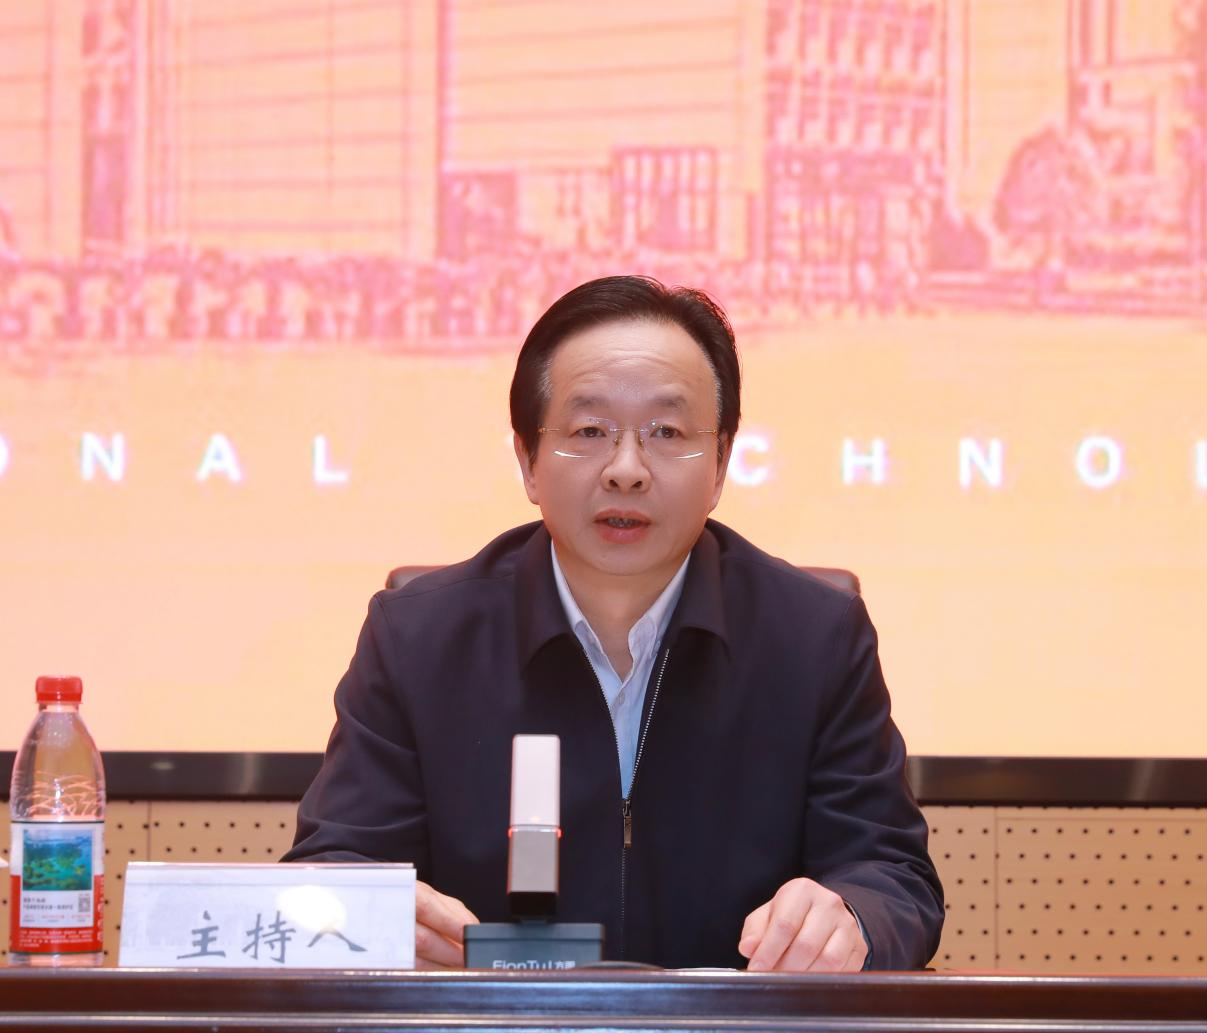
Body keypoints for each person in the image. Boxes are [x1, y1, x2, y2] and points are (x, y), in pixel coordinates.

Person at [285, 275, 944, 971]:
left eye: (667, 432)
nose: (626, 470)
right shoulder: (418, 638)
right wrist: (372, 916)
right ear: (528, 461)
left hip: (731, 1027)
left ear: (721, 464)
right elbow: (332, 870)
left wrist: (850, 917)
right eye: (589, 431)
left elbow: (891, 877)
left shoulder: (814, 638)